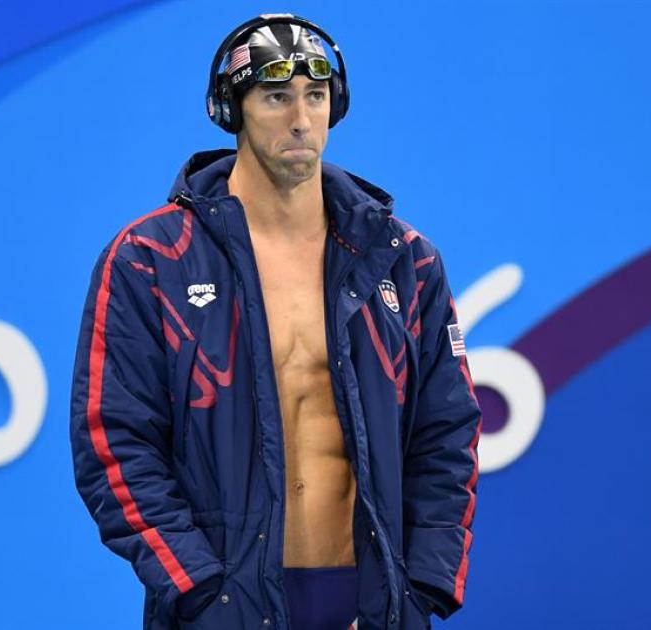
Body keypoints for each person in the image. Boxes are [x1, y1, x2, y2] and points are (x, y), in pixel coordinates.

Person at [70, 14, 482, 630]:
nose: (300, 119)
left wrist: (421, 584)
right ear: (231, 110)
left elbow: (446, 432)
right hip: (222, 606)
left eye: (316, 96)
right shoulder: (152, 260)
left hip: (372, 605)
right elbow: (113, 441)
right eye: (276, 96)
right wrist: (197, 589)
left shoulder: (402, 260)